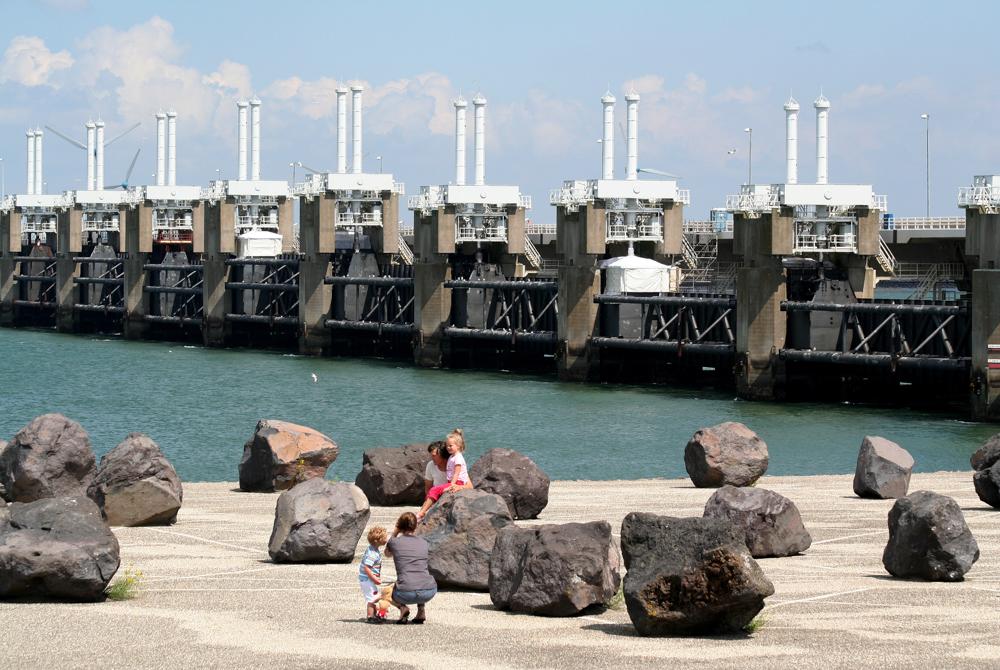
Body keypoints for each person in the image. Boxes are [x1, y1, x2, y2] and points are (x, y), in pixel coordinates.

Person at [384, 512, 437, 624]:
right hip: (429, 591)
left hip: (405, 593)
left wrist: (395, 531)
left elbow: (387, 554)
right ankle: (421, 612)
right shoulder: (424, 543)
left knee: (385, 591)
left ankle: (403, 608)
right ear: (415, 526)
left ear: (400, 526)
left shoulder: (394, 542)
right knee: (419, 576)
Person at [417, 428, 471, 521]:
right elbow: (427, 488)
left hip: (449, 496)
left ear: (442, 455)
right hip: (436, 498)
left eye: (434, 455)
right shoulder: (430, 465)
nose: (431, 458)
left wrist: (457, 487)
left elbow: (470, 486)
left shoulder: (454, 464)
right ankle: (421, 515)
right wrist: (429, 505)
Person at [359, 525, 389, 624]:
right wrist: (374, 579)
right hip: (367, 580)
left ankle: (374, 614)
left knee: (373, 596)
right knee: (372, 598)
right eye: (385, 537)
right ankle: (370, 616)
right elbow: (367, 567)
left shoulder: (373, 550)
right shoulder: (372, 554)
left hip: (368, 580)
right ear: (378, 540)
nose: (386, 539)